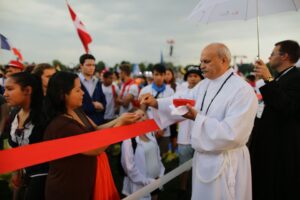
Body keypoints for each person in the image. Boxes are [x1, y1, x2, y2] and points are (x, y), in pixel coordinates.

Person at [140, 43, 258, 200]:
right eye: (201, 62)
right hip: (203, 157)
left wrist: (198, 118)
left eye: (206, 61)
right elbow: (183, 101)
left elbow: (234, 134)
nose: (201, 66)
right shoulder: (204, 84)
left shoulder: (242, 90)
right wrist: (156, 103)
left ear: (223, 60)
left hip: (227, 160)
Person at [43, 71, 140, 200]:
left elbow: (96, 130)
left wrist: (119, 119)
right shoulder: (62, 126)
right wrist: (119, 125)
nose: (83, 93)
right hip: (67, 188)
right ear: (63, 95)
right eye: (77, 90)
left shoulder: (76, 111)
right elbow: (95, 148)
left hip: (82, 182)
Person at [249, 40, 300, 200]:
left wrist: (268, 79)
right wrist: (264, 80)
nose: (269, 58)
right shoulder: (280, 77)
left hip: (281, 147)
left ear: (284, 56)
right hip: (267, 142)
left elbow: (286, 106)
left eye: (272, 54)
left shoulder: (296, 76)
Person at [3, 72, 47, 200]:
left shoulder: (45, 116)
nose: (5, 94)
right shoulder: (15, 114)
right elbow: (15, 149)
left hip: (44, 176)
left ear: (27, 90)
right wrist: (16, 173)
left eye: (10, 89)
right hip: (27, 176)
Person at [121, 108, 165, 200]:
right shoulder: (128, 140)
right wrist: (147, 182)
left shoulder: (151, 133)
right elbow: (129, 168)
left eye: (143, 115)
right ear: (131, 121)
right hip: (140, 186)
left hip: (156, 180)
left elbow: (157, 156)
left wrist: (160, 173)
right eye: (138, 117)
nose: (143, 118)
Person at [176, 65, 204, 199]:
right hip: (184, 135)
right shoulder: (181, 91)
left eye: (196, 76)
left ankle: (197, 190)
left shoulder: (204, 92)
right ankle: (182, 188)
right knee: (183, 164)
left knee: (200, 166)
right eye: (190, 76)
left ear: (201, 78)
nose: (192, 79)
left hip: (200, 136)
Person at [139, 64, 174, 158]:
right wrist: (152, 127)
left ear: (165, 75)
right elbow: (143, 112)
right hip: (149, 131)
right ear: (153, 75)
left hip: (165, 131)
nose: (159, 77)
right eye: (156, 74)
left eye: (161, 75)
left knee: (164, 157)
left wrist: (163, 128)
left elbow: (172, 112)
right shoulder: (145, 90)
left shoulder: (170, 91)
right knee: (150, 157)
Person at [79, 54, 106, 125]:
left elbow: (103, 100)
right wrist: (93, 106)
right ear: (81, 66)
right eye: (88, 65)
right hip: (82, 123)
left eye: (93, 65)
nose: (92, 68)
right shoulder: (75, 82)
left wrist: (102, 106)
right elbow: (74, 106)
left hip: (98, 121)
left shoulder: (97, 82)